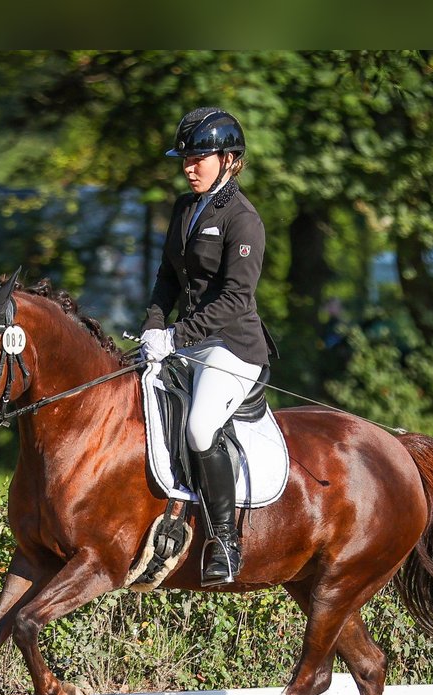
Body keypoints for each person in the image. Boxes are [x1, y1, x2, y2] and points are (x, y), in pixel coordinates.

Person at [140, 106, 276, 586]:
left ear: (230, 159)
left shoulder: (244, 220)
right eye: (186, 157)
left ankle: (224, 540)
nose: (189, 165)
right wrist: (154, 325)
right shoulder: (184, 207)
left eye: (199, 157)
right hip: (185, 341)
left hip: (233, 346)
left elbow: (237, 298)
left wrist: (176, 336)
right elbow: (166, 277)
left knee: (199, 427)